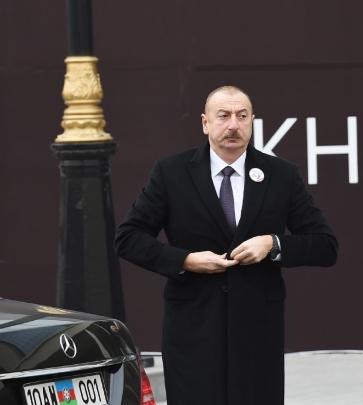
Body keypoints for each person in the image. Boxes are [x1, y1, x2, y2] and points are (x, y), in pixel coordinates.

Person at [115, 85, 338, 405]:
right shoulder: (172, 173)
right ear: (205, 123)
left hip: (257, 332)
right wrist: (186, 260)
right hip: (193, 328)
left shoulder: (281, 175)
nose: (233, 125)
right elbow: (128, 237)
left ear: (252, 122)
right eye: (223, 116)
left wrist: (272, 244)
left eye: (242, 116)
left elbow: (325, 245)